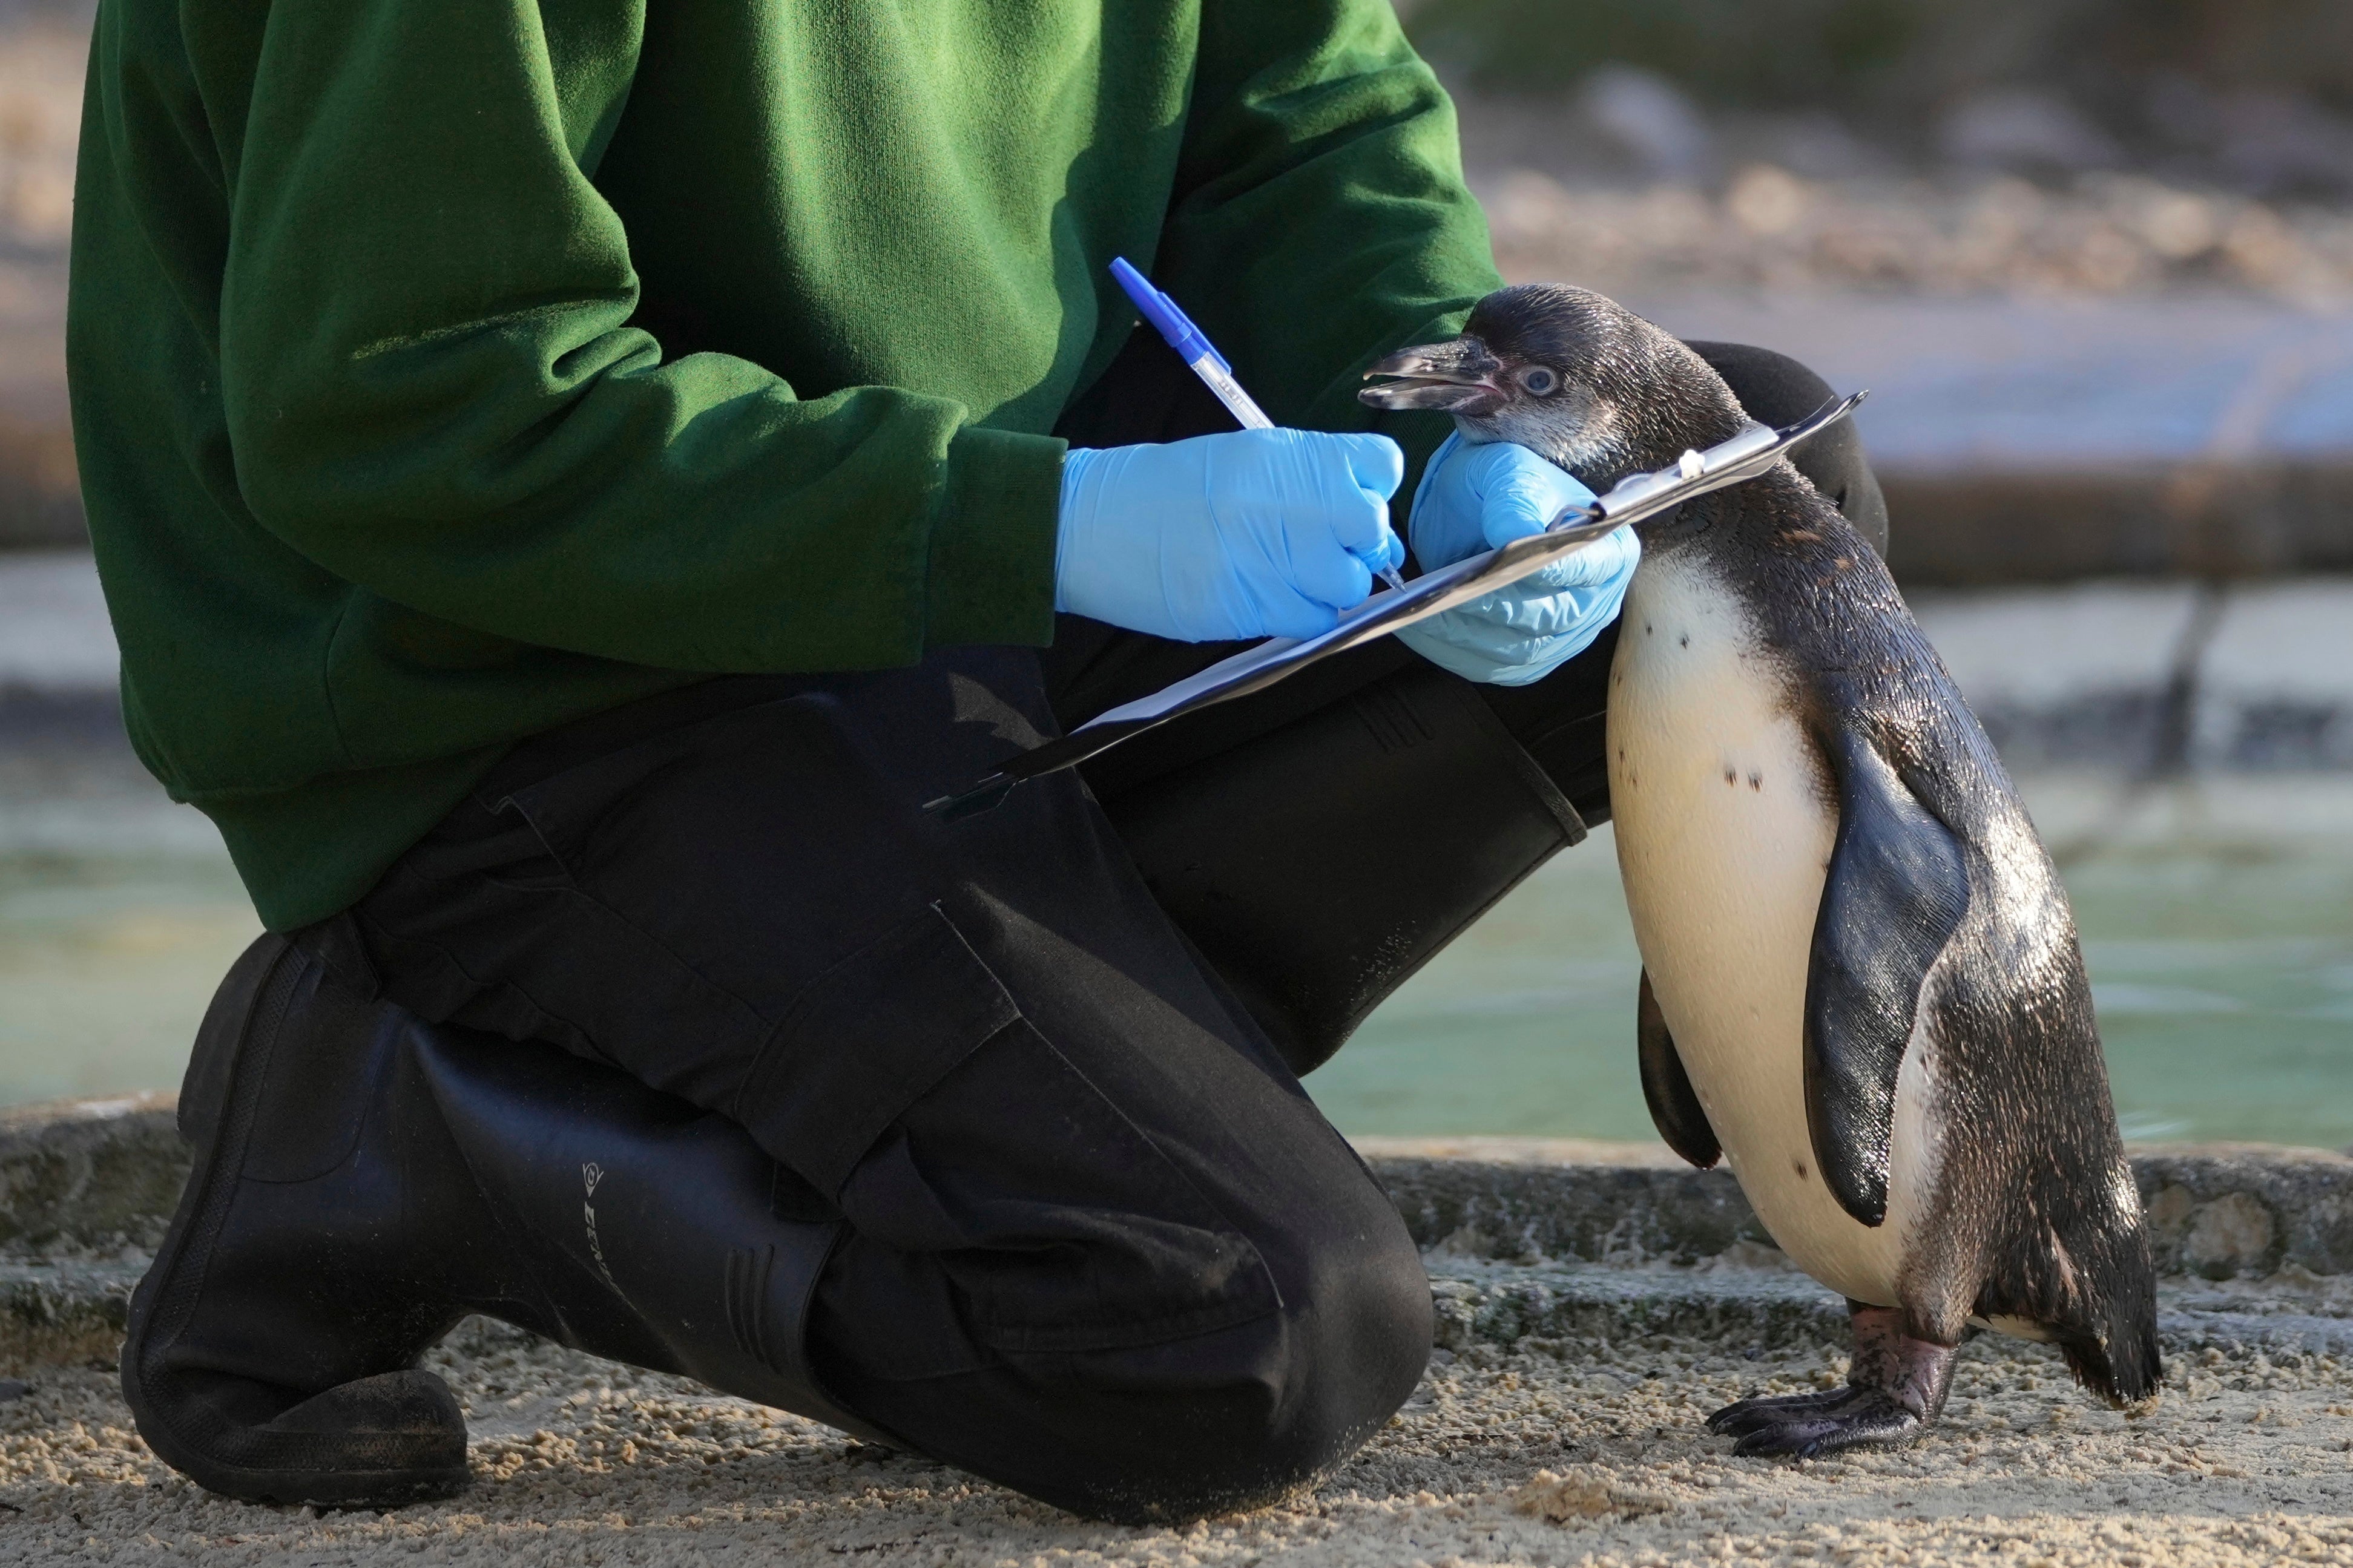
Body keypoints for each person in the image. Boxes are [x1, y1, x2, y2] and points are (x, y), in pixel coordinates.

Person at [70, 0, 1887, 1523]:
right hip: (523, 685)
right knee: (1234, 1334)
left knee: (1731, 514)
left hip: (967, 570)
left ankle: (988, 1082)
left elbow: (1298, 123)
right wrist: (1043, 523)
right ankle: (403, 1115)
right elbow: (408, 403)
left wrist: (1446, 433)